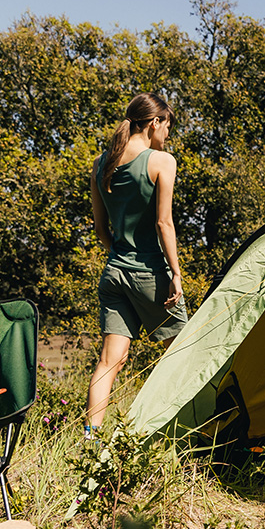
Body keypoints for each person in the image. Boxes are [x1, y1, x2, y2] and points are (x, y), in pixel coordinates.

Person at [85, 93, 188, 436]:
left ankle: (91, 441)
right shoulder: (161, 161)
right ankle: (181, 433)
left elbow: (101, 230)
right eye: (168, 125)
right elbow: (164, 224)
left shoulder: (101, 164)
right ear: (155, 122)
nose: (168, 134)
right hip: (150, 273)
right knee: (185, 352)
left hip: (113, 273)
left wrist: (121, 256)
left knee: (109, 362)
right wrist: (175, 273)